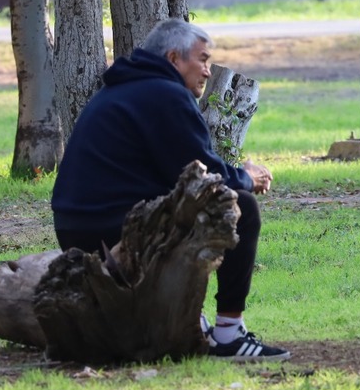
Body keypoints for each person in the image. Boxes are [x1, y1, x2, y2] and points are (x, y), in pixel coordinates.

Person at [50, 18, 290, 361]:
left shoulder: (125, 87)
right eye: (203, 59)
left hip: (78, 228)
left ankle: (192, 319)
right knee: (241, 207)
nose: (207, 72)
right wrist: (246, 177)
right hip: (111, 229)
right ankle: (229, 335)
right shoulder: (165, 94)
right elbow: (199, 175)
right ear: (174, 59)